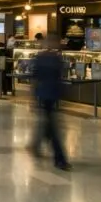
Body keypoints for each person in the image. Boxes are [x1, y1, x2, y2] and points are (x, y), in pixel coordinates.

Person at [29, 34, 71, 171]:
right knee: (53, 128)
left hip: (47, 95)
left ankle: (36, 145)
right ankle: (60, 159)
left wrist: (33, 97)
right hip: (47, 96)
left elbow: (36, 78)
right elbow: (37, 78)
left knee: (47, 125)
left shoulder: (47, 58)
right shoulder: (53, 58)